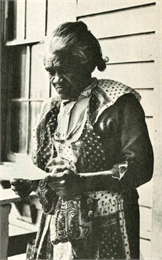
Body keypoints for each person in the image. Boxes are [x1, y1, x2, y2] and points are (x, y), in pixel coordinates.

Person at [11, 21, 153, 260]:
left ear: (85, 62)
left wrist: (83, 183)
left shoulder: (118, 103)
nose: (56, 80)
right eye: (50, 72)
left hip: (109, 219)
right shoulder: (53, 108)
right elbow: (53, 165)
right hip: (62, 220)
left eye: (63, 69)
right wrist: (36, 184)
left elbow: (140, 168)